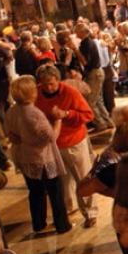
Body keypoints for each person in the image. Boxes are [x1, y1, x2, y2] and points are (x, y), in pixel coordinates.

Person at [5, 75, 71, 234]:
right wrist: (58, 120)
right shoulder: (33, 113)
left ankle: (39, 224)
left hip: (25, 157)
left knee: (35, 192)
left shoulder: (12, 111)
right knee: (55, 192)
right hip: (42, 158)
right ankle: (62, 225)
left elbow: (11, 135)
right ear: (31, 93)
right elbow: (51, 137)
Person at [34, 64, 98, 229]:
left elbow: (88, 115)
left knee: (83, 177)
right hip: (52, 145)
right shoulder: (36, 93)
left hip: (73, 141)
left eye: (52, 84)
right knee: (63, 181)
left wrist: (66, 114)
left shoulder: (70, 92)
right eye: (45, 84)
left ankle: (90, 213)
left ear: (58, 80)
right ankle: (70, 208)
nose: (48, 88)